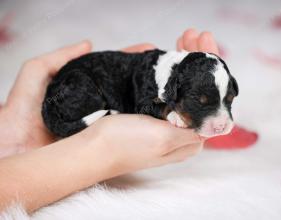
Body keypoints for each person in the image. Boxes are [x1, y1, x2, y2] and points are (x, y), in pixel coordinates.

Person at [0, 29, 220, 213]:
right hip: (75, 93)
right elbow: (147, 104)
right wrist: (100, 151)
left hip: (74, 102)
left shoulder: (158, 74)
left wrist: (20, 140)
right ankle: (79, 117)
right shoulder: (153, 76)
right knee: (85, 90)